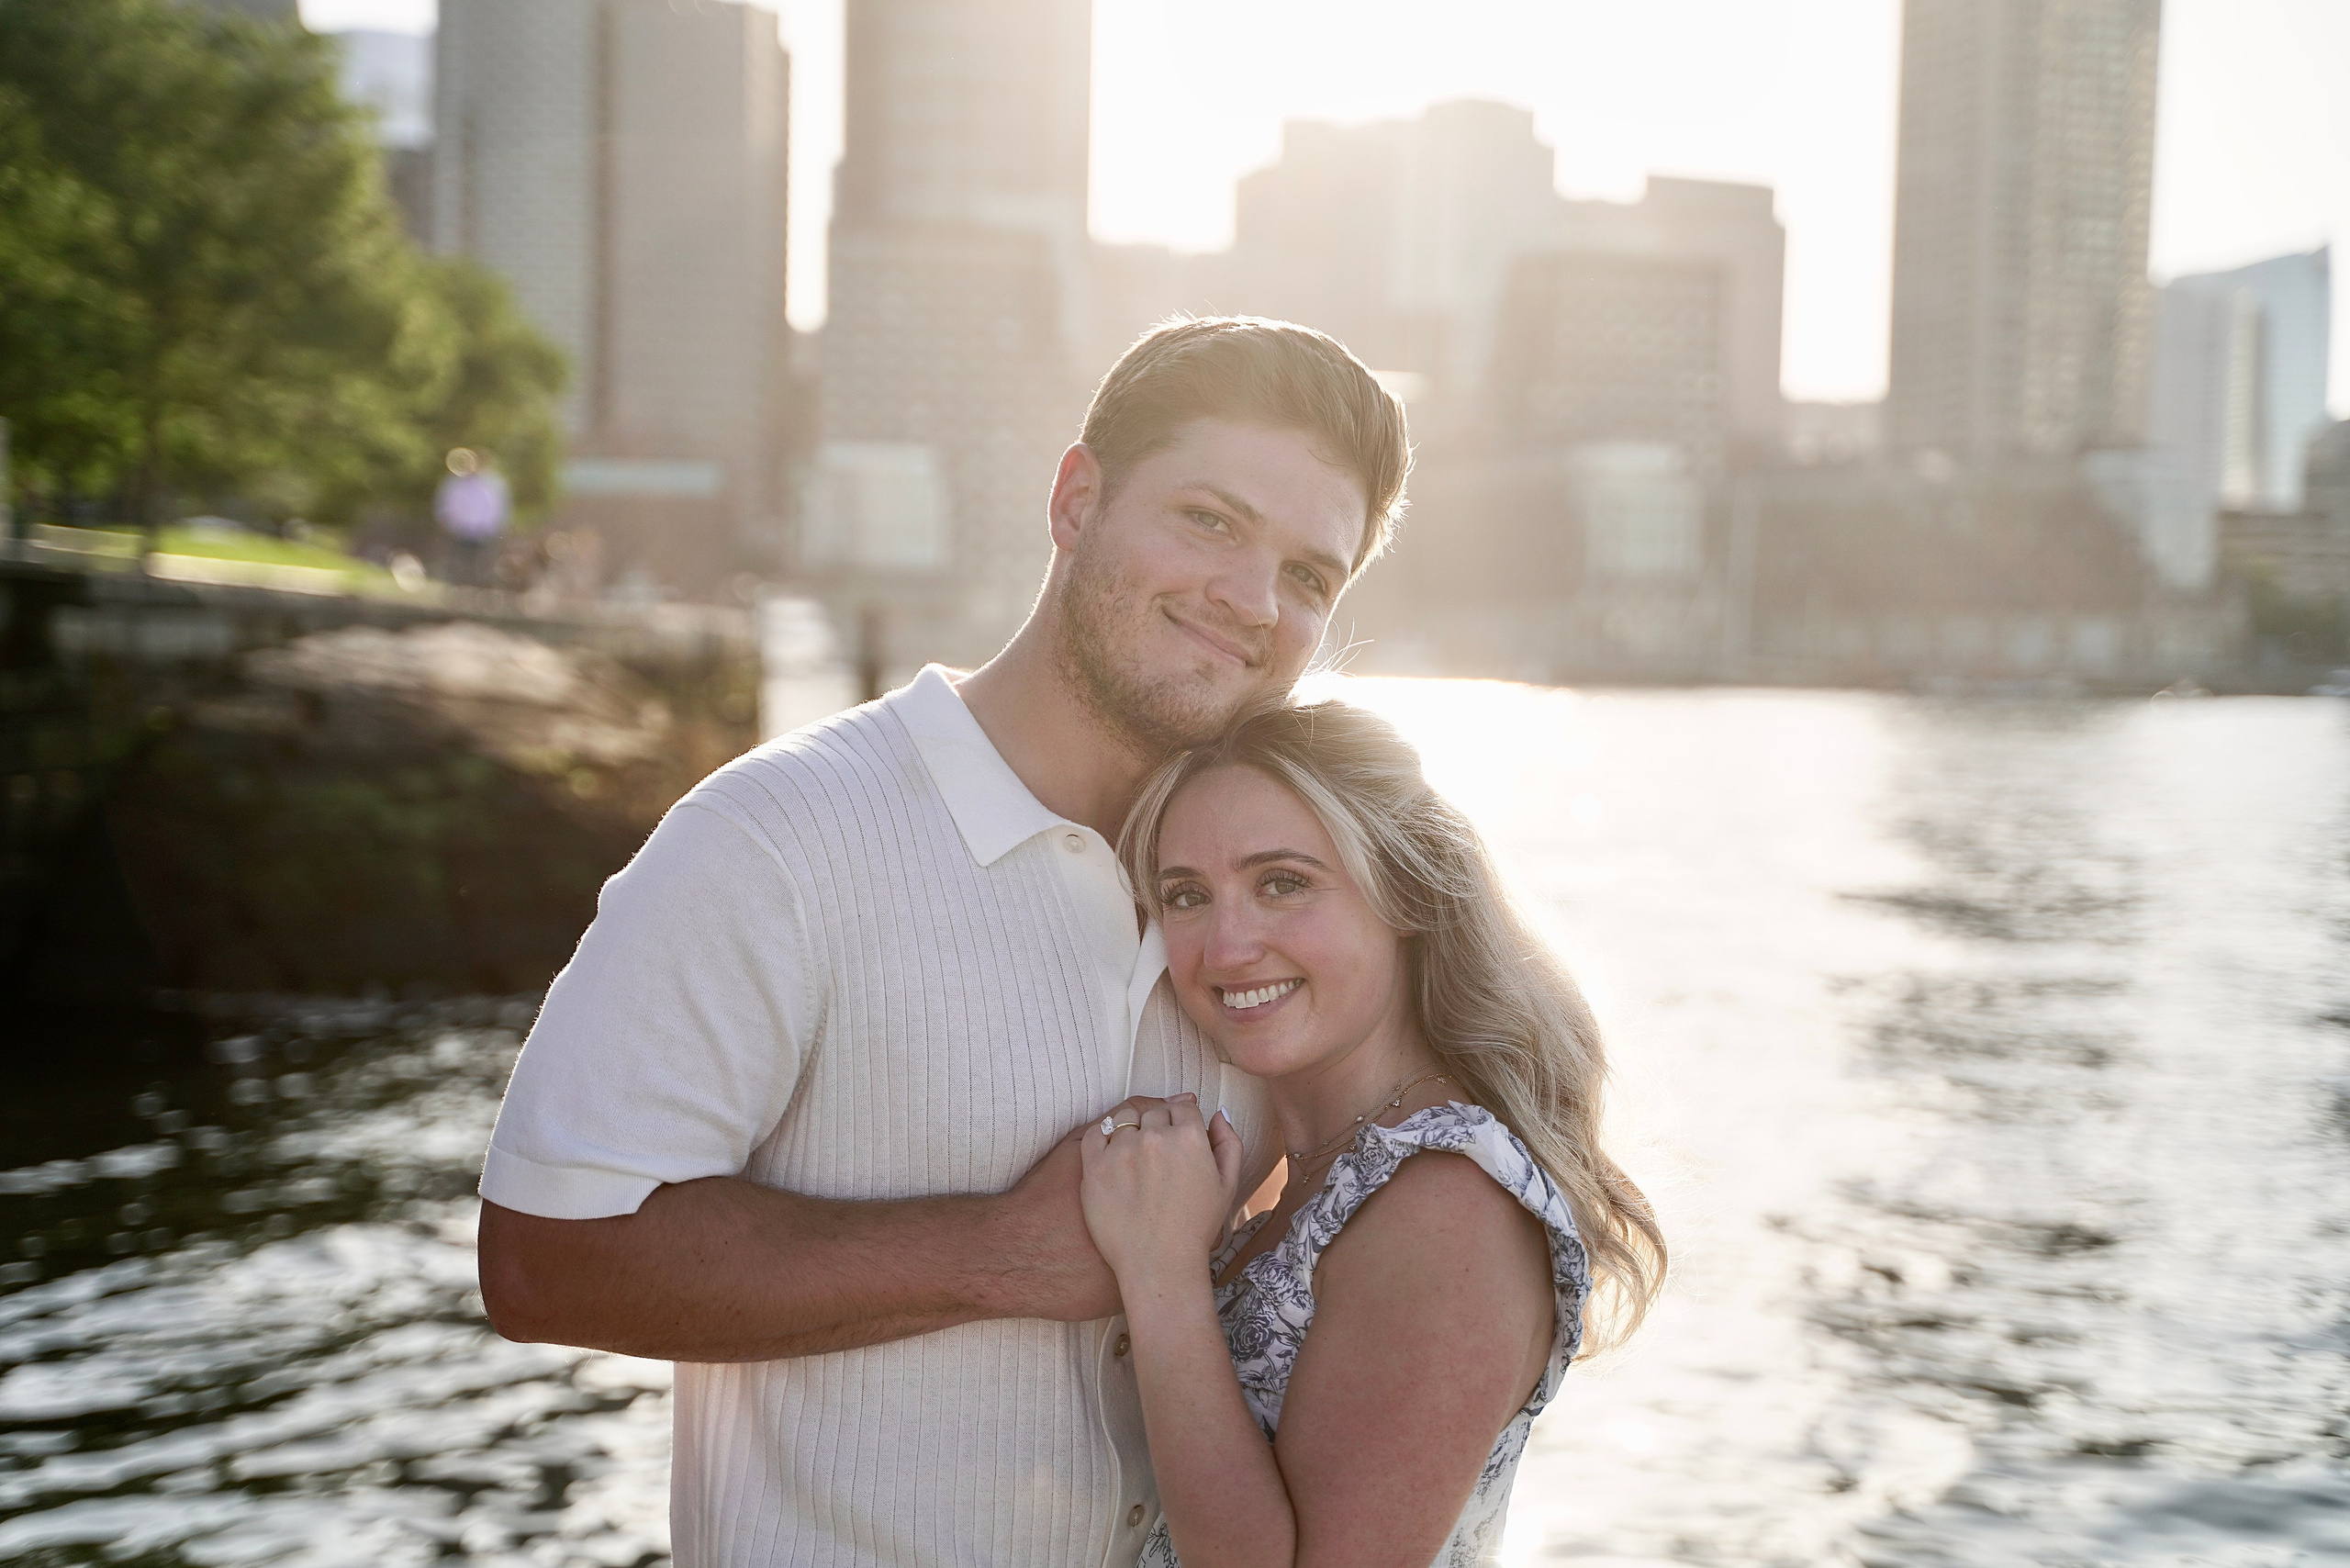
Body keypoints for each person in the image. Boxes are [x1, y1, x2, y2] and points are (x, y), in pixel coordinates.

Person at [473, 318, 1412, 1567]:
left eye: (1308, 576)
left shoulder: (1291, 913)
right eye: (1209, 521)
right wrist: (997, 1254)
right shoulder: (773, 838)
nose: (1251, 601)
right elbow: (541, 1259)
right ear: (1075, 500)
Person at [1078, 701, 1667, 1567]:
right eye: (1188, 896)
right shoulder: (1308, 1171)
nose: (1226, 948)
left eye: (1282, 883)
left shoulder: (1448, 1206)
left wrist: (1162, 1278)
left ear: (1409, 892)